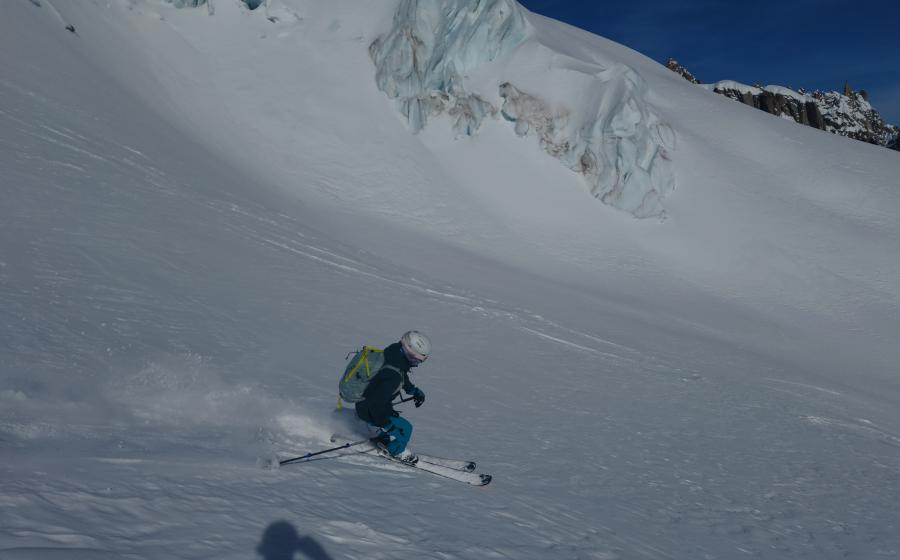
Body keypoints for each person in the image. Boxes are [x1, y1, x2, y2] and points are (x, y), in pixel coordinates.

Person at [354, 331, 430, 463]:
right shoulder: (393, 375)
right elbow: (375, 405)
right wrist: (388, 426)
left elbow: (402, 376)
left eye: (419, 361)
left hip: (366, 403)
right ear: (407, 352)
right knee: (405, 429)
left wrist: (414, 390)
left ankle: (383, 438)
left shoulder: (393, 356)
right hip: (369, 409)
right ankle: (397, 452)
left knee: (394, 422)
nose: (416, 363)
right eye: (415, 359)